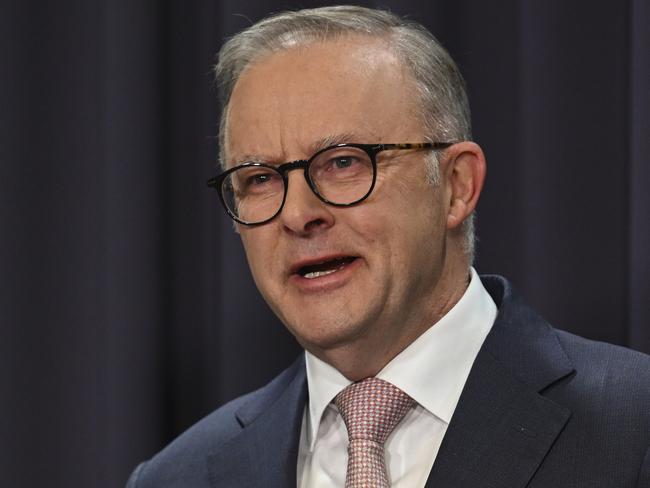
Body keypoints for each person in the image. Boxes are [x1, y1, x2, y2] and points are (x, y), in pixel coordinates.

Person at [126, 6, 650, 487]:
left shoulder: (634, 427)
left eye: (344, 163)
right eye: (259, 178)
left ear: (456, 186)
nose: (298, 214)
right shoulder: (177, 477)